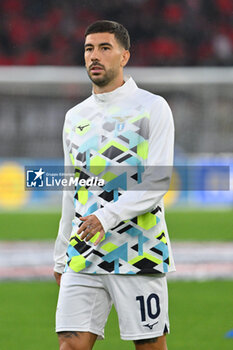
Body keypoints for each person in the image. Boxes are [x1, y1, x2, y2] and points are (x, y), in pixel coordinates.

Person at [54, 20, 175, 350]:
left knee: (149, 345)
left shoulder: (152, 107)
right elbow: (72, 189)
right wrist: (60, 254)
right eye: (89, 49)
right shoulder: (75, 116)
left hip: (138, 250)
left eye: (104, 48)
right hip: (84, 250)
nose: (94, 56)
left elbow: (158, 180)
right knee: (70, 344)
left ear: (124, 56)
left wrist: (105, 218)